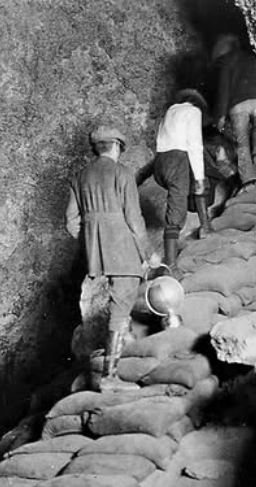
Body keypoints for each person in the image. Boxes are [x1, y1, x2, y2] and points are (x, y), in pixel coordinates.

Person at [65, 125, 149, 391]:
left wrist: (93, 238)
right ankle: (110, 378)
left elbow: (70, 222)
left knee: (117, 304)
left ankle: (117, 361)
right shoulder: (122, 173)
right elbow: (134, 219)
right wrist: (148, 252)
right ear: (116, 146)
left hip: (96, 252)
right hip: (122, 246)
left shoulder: (80, 177)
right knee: (121, 303)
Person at [154, 88, 212, 267]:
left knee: (181, 193)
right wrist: (200, 177)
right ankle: (170, 266)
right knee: (176, 212)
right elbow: (194, 144)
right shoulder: (194, 111)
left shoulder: (170, 111)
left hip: (160, 162)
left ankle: (205, 226)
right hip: (177, 160)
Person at [212, 34, 256, 193]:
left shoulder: (226, 61)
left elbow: (224, 90)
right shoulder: (252, 56)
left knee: (242, 142)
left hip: (239, 105)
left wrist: (221, 116)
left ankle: (248, 181)